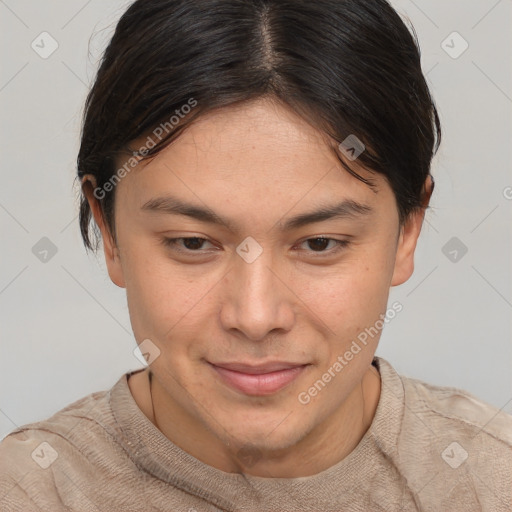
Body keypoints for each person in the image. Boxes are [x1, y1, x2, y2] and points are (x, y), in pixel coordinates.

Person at [1, 0, 511, 510]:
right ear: (109, 231)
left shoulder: (492, 481)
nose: (255, 316)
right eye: (193, 243)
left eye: (319, 244)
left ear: (407, 230)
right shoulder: (29, 492)